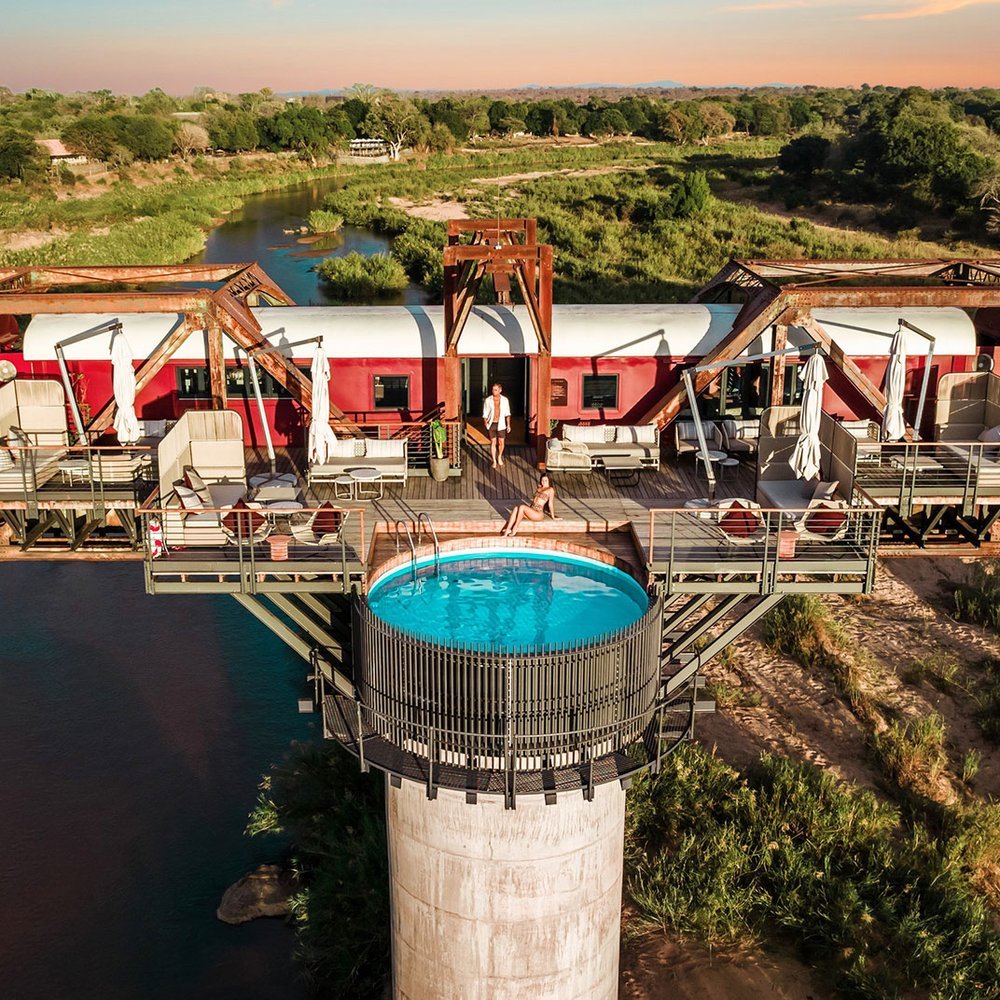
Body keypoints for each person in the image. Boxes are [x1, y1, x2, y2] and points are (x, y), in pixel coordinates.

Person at [482, 381, 511, 469]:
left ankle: (499, 456)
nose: (494, 391)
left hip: (501, 424)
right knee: (493, 442)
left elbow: (507, 413)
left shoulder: (505, 400)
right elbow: (485, 413)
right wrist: (486, 423)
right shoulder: (488, 400)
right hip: (492, 423)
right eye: (493, 390)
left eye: (495, 390)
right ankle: (494, 460)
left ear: (500, 390)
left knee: (501, 442)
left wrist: (508, 425)